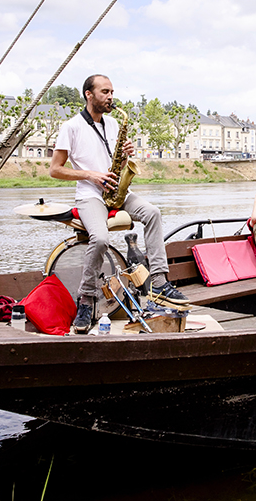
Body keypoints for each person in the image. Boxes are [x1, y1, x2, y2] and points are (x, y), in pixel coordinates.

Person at [50, 74, 187, 333]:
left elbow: (118, 165)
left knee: (153, 213)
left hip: (117, 190)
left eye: (112, 91)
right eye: (105, 92)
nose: (111, 97)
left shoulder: (113, 124)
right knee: (100, 238)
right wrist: (91, 175)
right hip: (91, 194)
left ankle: (158, 281)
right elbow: (55, 170)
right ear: (89, 94)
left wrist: (125, 157)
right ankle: (86, 299)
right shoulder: (71, 127)